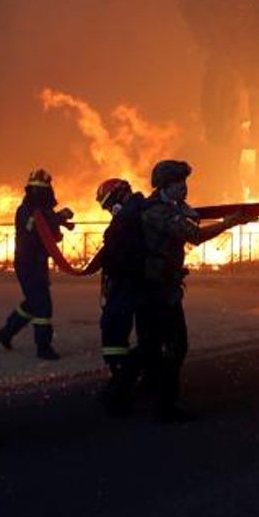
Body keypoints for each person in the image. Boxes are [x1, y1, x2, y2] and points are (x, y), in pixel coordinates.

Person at [140, 159, 254, 422]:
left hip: (161, 287)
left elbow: (189, 215)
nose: (183, 187)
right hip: (157, 290)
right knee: (176, 345)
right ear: (163, 186)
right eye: (177, 183)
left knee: (153, 344)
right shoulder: (157, 212)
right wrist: (230, 222)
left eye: (184, 182)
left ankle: (145, 389)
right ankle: (165, 405)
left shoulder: (170, 207)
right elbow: (195, 236)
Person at [0, 169, 75, 360]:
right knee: (43, 306)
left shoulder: (45, 211)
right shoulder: (25, 211)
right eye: (36, 190)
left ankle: (5, 333)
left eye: (43, 190)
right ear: (30, 190)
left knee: (33, 302)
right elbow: (33, 227)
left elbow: (53, 237)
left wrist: (59, 222)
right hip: (27, 263)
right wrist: (58, 217)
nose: (39, 194)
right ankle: (43, 347)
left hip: (39, 263)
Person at [95, 178, 148, 416]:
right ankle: (121, 381)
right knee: (113, 331)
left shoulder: (133, 213)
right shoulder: (130, 213)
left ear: (120, 195)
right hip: (122, 283)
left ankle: (120, 387)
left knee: (115, 331)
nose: (108, 210)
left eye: (109, 204)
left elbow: (126, 252)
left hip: (129, 283)